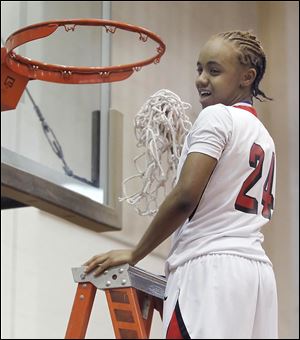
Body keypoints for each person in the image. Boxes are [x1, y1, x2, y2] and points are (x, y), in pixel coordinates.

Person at [83, 30, 278, 339]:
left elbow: (186, 196)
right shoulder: (264, 137)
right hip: (257, 277)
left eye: (214, 70)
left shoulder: (216, 116)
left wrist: (136, 252)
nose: (201, 78)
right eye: (199, 69)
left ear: (246, 77)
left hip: (211, 271)